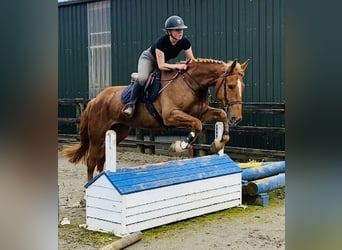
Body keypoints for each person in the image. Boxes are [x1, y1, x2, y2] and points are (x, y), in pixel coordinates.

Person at [123, 15, 195, 118]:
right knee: (143, 78)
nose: (180, 32)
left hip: (162, 62)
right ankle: (131, 104)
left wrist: (187, 64)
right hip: (149, 59)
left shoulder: (185, 42)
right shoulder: (161, 43)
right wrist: (177, 66)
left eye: (182, 30)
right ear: (169, 31)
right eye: (177, 30)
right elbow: (161, 66)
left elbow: (192, 60)